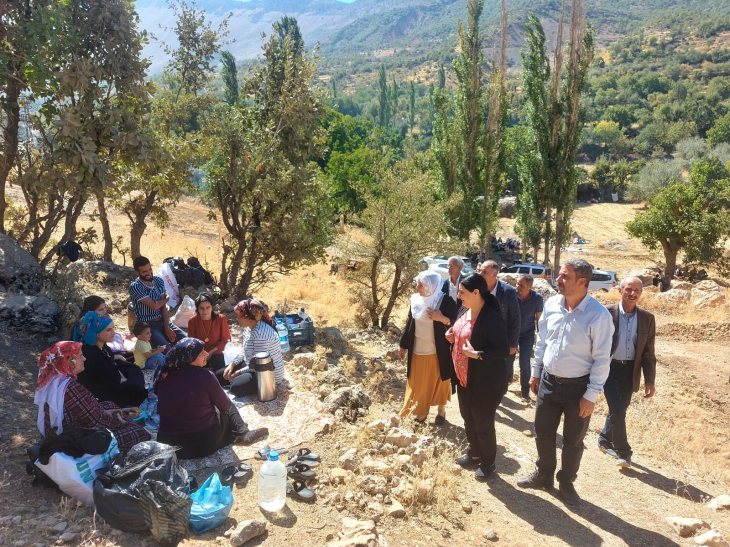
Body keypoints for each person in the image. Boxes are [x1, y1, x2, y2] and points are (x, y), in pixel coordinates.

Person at [517, 259, 614, 506]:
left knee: (573, 440)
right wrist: (536, 372)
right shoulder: (551, 305)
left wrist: (591, 394)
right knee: (544, 432)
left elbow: (602, 359)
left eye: (564, 277)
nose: (558, 280)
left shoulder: (599, 316)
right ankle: (544, 475)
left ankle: (566, 482)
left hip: (578, 388)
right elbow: (543, 342)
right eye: (559, 276)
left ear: (582, 282)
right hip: (549, 381)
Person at [155, 338, 268, 459]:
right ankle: (243, 433)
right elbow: (225, 406)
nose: (206, 354)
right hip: (203, 445)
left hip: (171, 446)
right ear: (189, 358)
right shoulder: (205, 377)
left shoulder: (163, 375)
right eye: (201, 353)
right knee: (227, 406)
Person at [446, 274, 510, 481]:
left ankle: (488, 462)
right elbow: (460, 331)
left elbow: (502, 350)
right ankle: (474, 453)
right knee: (468, 418)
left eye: (462, 292)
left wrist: (479, 355)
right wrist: (451, 334)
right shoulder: (465, 309)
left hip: (485, 382)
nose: (458, 295)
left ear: (476, 293)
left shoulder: (491, 317)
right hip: (464, 378)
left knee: (483, 423)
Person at [34, 341, 151, 452]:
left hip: (69, 429)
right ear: (69, 362)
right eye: (80, 356)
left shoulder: (55, 381)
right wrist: (119, 421)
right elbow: (97, 422)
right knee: (139, 433)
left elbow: (88, 409)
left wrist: (108, 412)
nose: (84, 358)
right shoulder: (70, 388)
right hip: (73, 440)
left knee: (110, 405)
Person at [598, 277, 656, 469]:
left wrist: (650, 380)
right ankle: (624, 452)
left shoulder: (647, 318)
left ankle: (605, 439)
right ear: (620, 290)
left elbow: (648, 353)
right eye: (629, 289)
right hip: (609, 369)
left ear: (641, 293)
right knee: (619, 410)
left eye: (637, 290)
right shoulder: (606, 313)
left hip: (631, 371)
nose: (633, 294)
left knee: (620, 408)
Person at [398, 271, 458, 425]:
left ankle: (440, 410)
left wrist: (442, 319)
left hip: (437, 351)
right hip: (417, 349)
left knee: (439, 382)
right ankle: (419, 412)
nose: (417, 287)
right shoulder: (415, 300)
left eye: (421, 285)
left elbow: (456, 324)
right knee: (418, 383)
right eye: (418, 284)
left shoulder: (445, 301)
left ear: (430, 286)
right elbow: (409, 323)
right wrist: (403, 344)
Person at [76, 312, 148, 408]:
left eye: (113, 328)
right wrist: (122, 377)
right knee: (135, 387)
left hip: (111, 375)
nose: (113, 333)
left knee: (133, 368)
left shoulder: (102, 344)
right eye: (108, 330)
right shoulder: (92, 354)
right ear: (96, 333)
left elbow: (110, 361)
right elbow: (108, 382)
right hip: (104, 391)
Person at [218, 299, 286, 397]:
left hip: (267, 372)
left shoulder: (261, 334)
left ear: (248, 318)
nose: (237, 319)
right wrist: (232, 364)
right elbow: (244, 350)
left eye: (238, 317)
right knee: (220, 375)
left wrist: (239, 372)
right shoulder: (248, 328)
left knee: (235, 387)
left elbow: (259, 365)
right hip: (251, 364)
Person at [128, 256, 185, 350]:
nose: (149, 273)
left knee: (186, 341)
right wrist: (166, 299)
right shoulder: (135, 287)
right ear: (137, 273)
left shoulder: (158, 281)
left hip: (162, 321)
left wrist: (167, 326)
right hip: (148, 325)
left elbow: (163, 307)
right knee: (167, 350)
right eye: (144, 272)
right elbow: (154, 306)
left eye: (150, 269)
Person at [478, 260, 521, 383]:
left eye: (484, 272)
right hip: (481, 338)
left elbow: (515, 318)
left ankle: (500, 391)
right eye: (480, 270)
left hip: (502, 340)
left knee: (501, 371)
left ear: (494, 274)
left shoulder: (508, 292)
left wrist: (513, 343)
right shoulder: (477, 290)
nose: (480, 274)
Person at [515, 274, 544, 401]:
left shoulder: (537, 298)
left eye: (521, 285)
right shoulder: (512, 295)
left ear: (530, 286)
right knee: (507, 359)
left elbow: (539, 318)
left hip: (527, 334)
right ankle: (506, 382)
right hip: (512, 333)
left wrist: (541, 337)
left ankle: (525, 392)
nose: (518, 287)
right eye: (517, 284)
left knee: (524, 363)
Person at [186, 293, 231, 373]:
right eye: (202, 308)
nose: (205, 311)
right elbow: (191, 342)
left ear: (212, 308)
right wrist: (202, 354)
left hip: (216, 351)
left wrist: (210, 353)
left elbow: (226, 340)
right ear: (197, 309)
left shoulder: (220, 319)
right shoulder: (192, 321)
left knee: (217, 362)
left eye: (208, 307)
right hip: (200, 352)